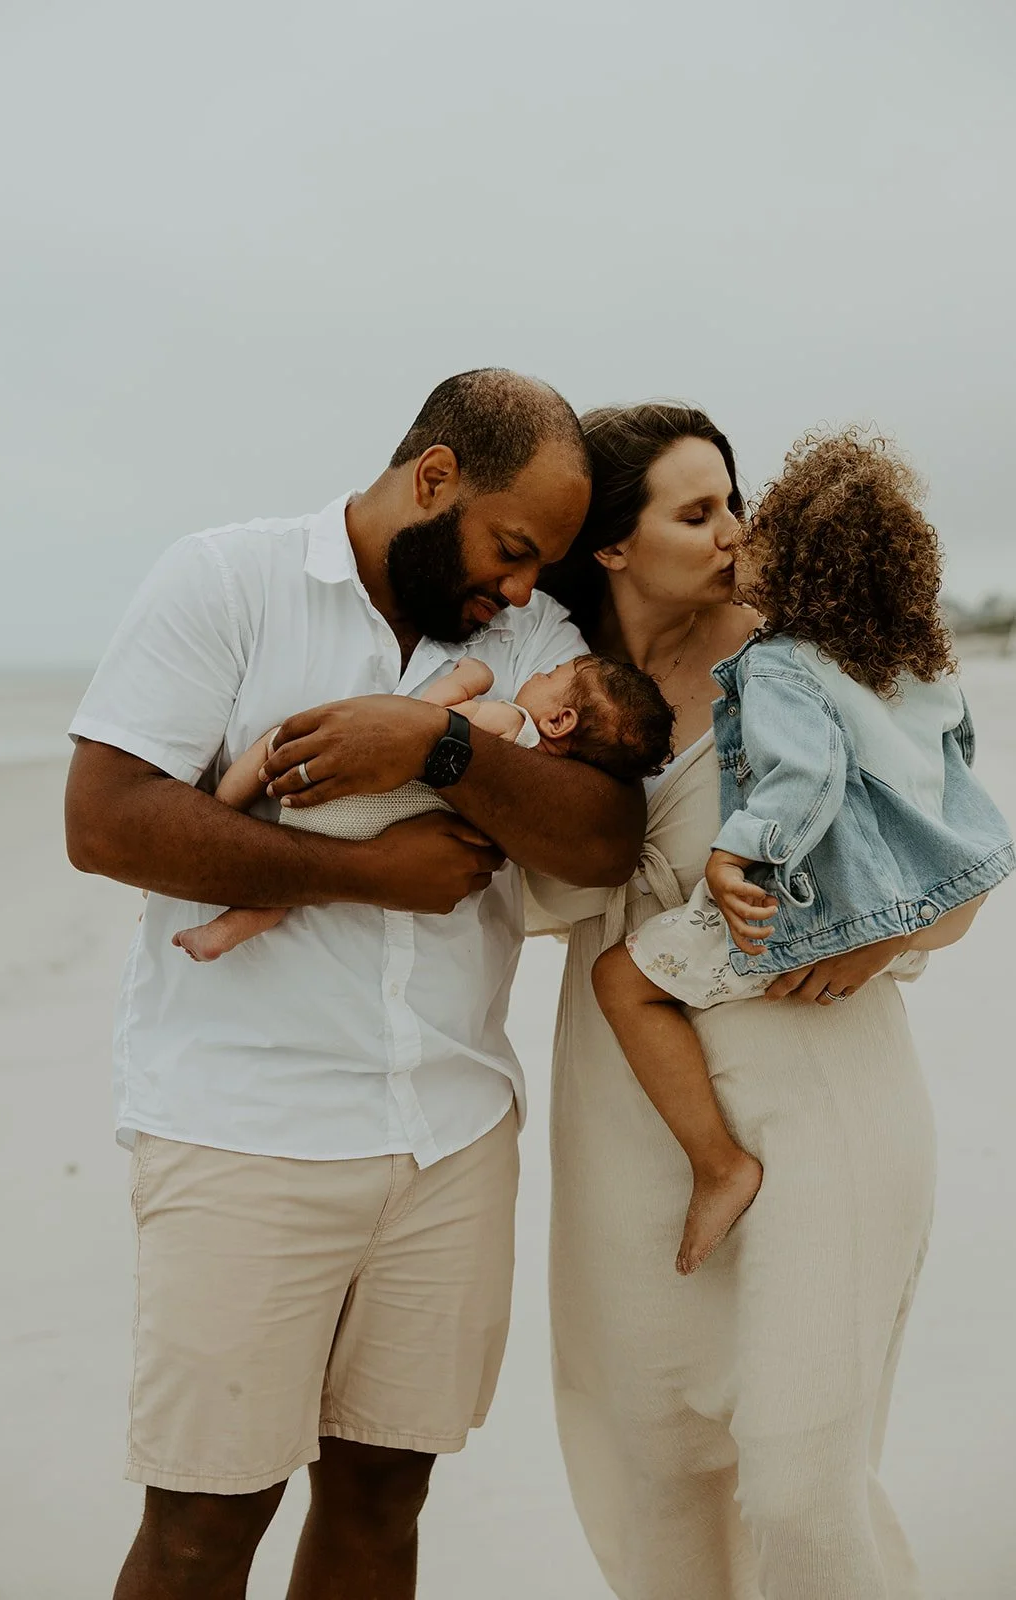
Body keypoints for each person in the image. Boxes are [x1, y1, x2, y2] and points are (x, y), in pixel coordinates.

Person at [64, 368, 647, 1600]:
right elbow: (106, 820)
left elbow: (602, 838)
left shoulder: (528, 639)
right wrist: (372, 875)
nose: (524, 587)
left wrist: (430, 743)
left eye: (540, 564)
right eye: (510, 547)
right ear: (431, 477)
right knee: (204, 1523)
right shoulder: (227, 578)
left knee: (386, 1499)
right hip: (243, 1129)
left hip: (451, 1135)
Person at [529, 401, 985, 1599]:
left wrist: (881, 942)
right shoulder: (554, 686)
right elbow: (508, 893)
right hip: (629, 1112)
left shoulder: (809, 652)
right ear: (611, 546)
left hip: (823, 1097)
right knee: (653, 1466)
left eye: (733, 500)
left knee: (798, 1486)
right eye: (697, 511)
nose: (734, 531)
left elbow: (956, 868)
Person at [591, 430, 1013, 1276]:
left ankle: (718, 1166)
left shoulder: (781, 666)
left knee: (622, 983)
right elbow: (950, 768)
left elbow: (804, 776)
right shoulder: (913, 666)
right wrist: (913, 902)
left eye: (753, 526)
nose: (736, 537)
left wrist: (736, 852)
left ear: (798, 572)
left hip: (806, 904)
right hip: (902, 904)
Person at [174, 652, 672, 961]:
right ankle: (223, 931)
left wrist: (470, 679)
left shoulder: (509, 721)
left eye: (551, 673)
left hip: (358, 795)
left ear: (559, 720)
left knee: (273, 743)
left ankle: (219, 809)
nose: (539, 672)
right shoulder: (539, 789)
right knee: (291, 893)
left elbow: (427, 721)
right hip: (387, 831)